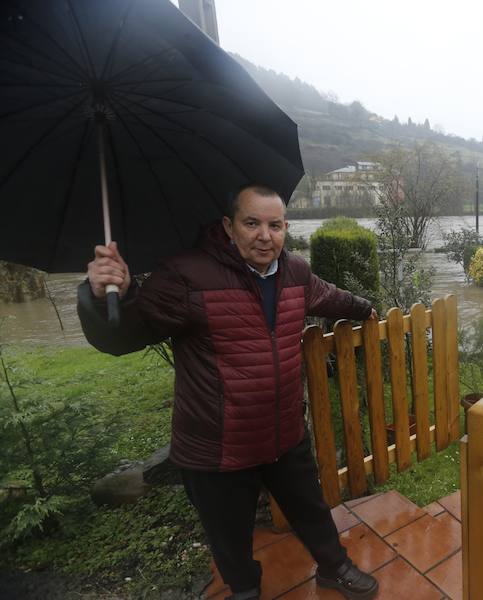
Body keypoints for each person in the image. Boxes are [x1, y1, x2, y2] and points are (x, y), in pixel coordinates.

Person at [77, 184, 380, 600]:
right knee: (229, 532)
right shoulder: (187, 275)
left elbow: (329, 297)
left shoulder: (295, 272)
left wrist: (365, 307)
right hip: (216, 446)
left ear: (286, 228)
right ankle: (245, 590)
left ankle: (335, 567)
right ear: (228, 226)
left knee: (311, 509)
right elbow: (123, 335)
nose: (264, 235)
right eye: (251, 223)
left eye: (274, 225)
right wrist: (109, 296)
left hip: (283, 431)